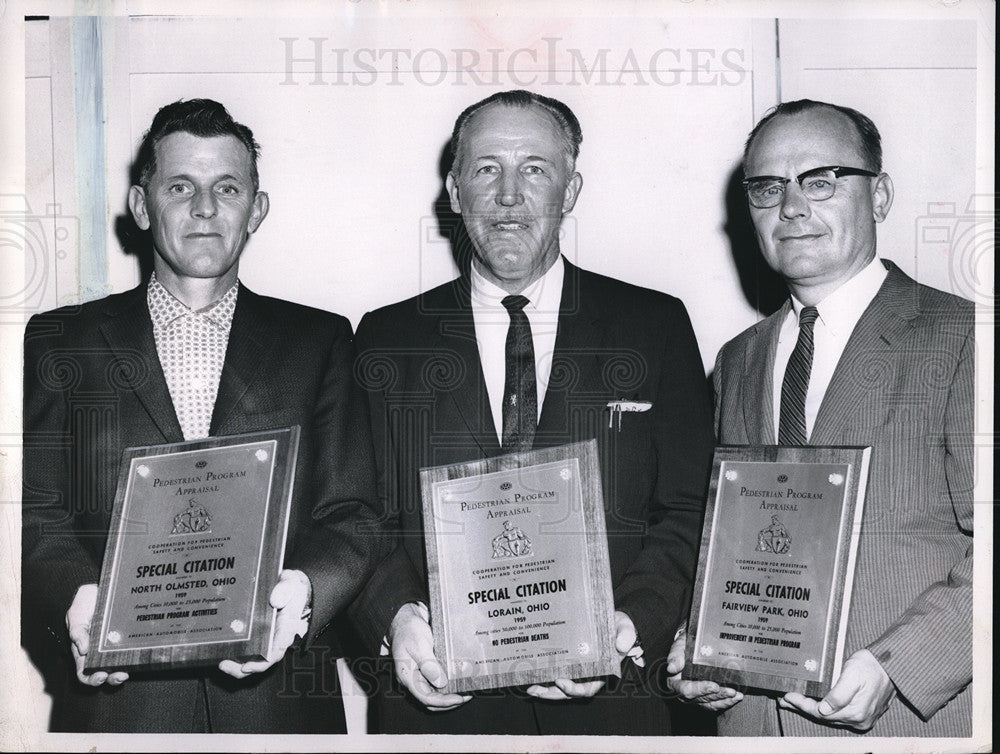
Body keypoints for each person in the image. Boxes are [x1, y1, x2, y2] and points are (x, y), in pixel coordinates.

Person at [347, 90, 715, 734]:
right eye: (487, 168)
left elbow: (689, 507)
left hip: (614, 712)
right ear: (455, 191)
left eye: (535, 170)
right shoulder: (383, 339)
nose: (509, 195)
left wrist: (627, 628)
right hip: (438, 712)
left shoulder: (654, 325)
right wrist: (395, 620)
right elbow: (356, 515)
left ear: (570, 190)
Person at [21, 99, 387, 733]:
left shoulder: (320, 341)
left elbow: (351, 512)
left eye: (227, 188)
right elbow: (32, 506)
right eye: (181, 186)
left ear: (257, 209)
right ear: (141, 206)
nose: (205, 209)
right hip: (121, 709)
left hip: (279, 704)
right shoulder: (61, 341)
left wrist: (298, 602)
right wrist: (79, 602)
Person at [666, 99, 973, 737]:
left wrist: (898, 666)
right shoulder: (738, 359)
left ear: (880, 195)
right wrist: (694, 640)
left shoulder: (967, 338)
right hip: (750, 726)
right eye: (768, 187)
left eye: (821, 180)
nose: (792, 207)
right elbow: (726, 539)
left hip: (905, 726)